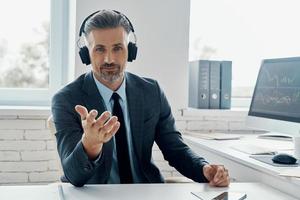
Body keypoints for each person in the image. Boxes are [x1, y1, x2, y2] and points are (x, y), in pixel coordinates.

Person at [51, 9, 230, 187]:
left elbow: (175, 149)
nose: (109, 59)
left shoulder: (151, 92)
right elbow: (73, 175)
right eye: (99, 49)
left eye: (117, 48)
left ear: (130, 50)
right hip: (94, 195)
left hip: (145, 192)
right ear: (86, 53)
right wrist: (89, 145)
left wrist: (204, 169)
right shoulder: (66, 100)